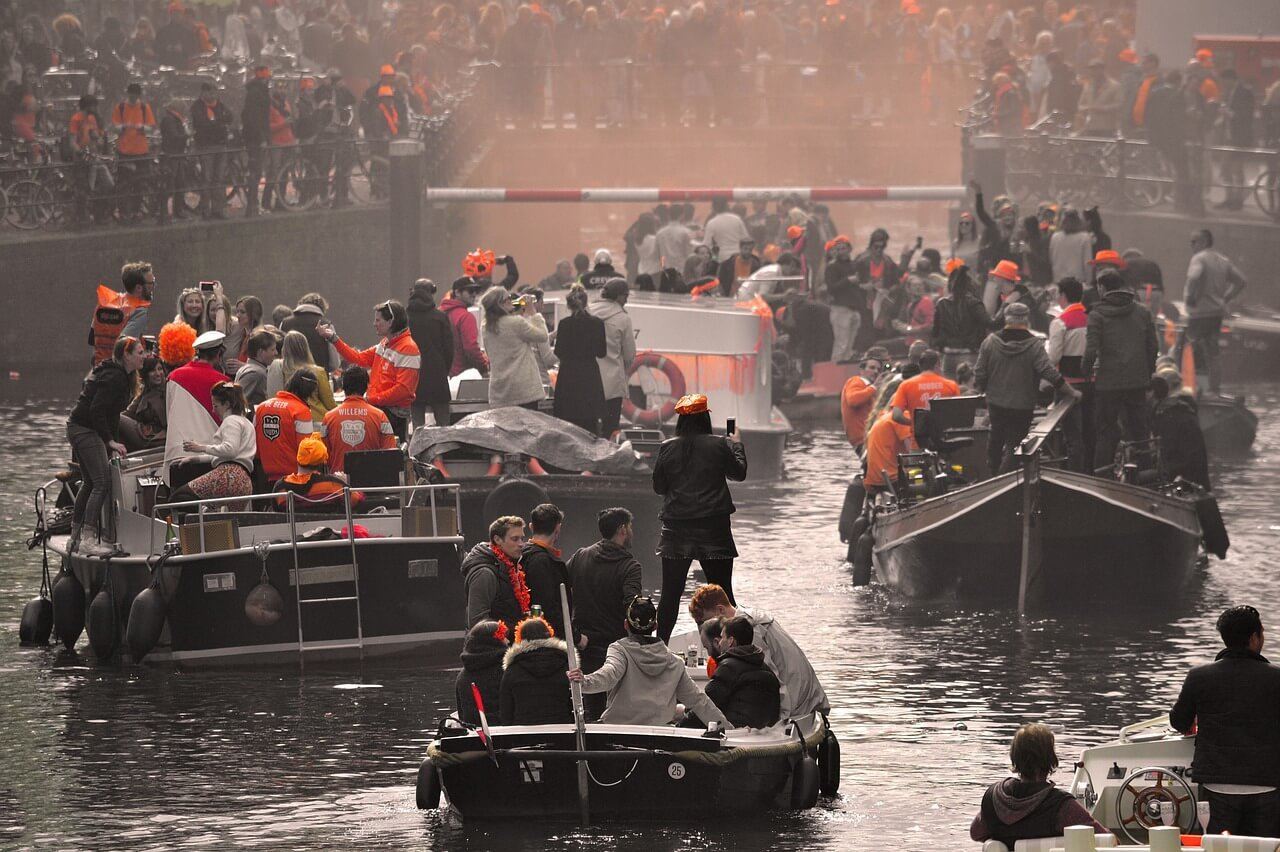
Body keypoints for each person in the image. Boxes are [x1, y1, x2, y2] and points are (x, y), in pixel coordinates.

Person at [1171, 605, 1280, 837]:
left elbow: (1179, 721)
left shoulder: (1200, 676)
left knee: (1219, 847)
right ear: (1253, 638)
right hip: (1267, 785)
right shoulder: (1276, 679)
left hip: (1216, 786)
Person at [652, 394, 747, 644]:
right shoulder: (719, 445)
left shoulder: (667, 447)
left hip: (676, 530)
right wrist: (735, 443)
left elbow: (659, 487)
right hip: (714, 529)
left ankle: (660, 647)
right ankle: (733, 645)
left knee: (670, 595)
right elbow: (738, 473)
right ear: (706, 417)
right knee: (722, 595)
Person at [568, 595, 730, 728]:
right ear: (655, 626)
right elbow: (699, 701)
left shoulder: (619, 650)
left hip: (618, 731)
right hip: (659, 734)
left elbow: (609, 676)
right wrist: (729, 730)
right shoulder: (675, 662)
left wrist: (584, 681)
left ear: (626, 625)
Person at [689, 584, 829, 719]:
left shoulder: (750, 630)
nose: (707, 630)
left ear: (720, 610)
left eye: (708, 622)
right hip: (808, 698)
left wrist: (777, 726)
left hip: (798, 706)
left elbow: (770, 681)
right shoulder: (750, 619)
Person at [975, 302, 1077, 476]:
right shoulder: (1034, 345)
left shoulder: (990, 342)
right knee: (1016, 445)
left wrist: (986, 389)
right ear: (1026, 320)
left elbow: (979, 372)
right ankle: (1004, 481)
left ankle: (993, 476)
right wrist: (1071, 392)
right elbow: (1049, 372)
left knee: (996, 437)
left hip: (996, 402)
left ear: (1006, 318)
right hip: (1022, 404)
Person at [67, 336, 145, 554]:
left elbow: (113, 415)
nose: (144, 356)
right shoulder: (114, 377)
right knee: (101, 482)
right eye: (139, 352)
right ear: (126, 355)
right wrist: (109, 440)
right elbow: (97, 410)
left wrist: (112, 444)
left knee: (90, 482)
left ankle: (74, 538)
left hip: (79, 427)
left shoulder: (123, 376)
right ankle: (88, 540)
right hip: (84, 429)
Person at [970, 723, 1106, 844]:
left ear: (1014, 757)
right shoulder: (1061, 806)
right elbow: (1106, 840)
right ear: (1050, 759)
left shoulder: (994, 798)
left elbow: (976, 834)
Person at [567, 507, 644, 720]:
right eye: (629, 527)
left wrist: (574, 634)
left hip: (584, 646)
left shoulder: (580, 557)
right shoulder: (630, 567)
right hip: (615, 650)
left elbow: (560, 597)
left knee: (589, 707)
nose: (631, 531)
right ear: (622, 529)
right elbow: (633, 609)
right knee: (617, 710)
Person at [1082, 269, 1159, 469]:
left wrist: (1085, 373)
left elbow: (1091, 350)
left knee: (1106, 432)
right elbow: (1153, 347)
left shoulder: (1097, 314)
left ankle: (1102, 477)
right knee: (1139, 431)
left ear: (1101, 288)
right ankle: (1147, 475)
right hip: (1137, 382)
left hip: (1108, 383)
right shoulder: (1143, 312)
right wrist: (1148, 372)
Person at [321, 300, 420, 442]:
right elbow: (358, 358)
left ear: (391, 321)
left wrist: (371, 399)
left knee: (392, 458)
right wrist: (333, 338)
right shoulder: (385, 343)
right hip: (379, 410)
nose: (374, 324)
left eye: (378, 320)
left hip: (394, 416)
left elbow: (403, 390)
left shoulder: (408, 348)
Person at [169, 381, 256, 508]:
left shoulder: (231, 421)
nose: (213, 410)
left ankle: (199, 519)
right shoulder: (247, 423)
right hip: (244, 482)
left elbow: (230, 450)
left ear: (226, 404)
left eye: (216, 406)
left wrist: (201, 448)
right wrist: (195, 458)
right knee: (230, 523)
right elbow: (228, 455)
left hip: (227, 477)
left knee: (180, 498)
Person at [1183, 229, 1247, 396]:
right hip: (1216, 313)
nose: (1191, 245)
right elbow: (1241, 281)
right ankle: (1214, 389)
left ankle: (1194, 387)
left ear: (1204, 242)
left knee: (1192, 347)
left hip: (1199, 313)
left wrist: (1190, 297)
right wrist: (1225, 299)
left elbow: (1194, 278)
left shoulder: (1199, 258)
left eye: (1194, 241)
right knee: (1213, 351)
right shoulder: (1223, 260)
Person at [164, 330, 230, 487]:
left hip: (177, 454)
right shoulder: (222, 382)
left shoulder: (174, 377)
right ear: (219, 354)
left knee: (179, 507)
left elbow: (169, 415)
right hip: (210, 457)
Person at [702, 616, 781, 729]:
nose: (719, 643)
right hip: (762, 734)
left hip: (735, 734)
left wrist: (680, 724)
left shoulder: (728, 667)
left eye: (722, 637)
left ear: (730, 641)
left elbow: (706, 705)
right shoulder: (766, 668)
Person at [1046, 278, 1092, 471]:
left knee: (1072, 436)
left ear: (1063, 295)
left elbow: (1054, 356)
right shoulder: (1092, 317)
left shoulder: (1060, 322)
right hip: (1092, 384)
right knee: (1090, 433)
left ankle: (1074, 476)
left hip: (1068, 386)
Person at [479, 287, 549, 410]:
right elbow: (542, 336)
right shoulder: (516, 323)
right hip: (524, 390)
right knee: (527, 427)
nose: (512, 301)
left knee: (505, 428)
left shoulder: (486, 326)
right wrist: (533, 312)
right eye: (508, 299)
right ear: (500, 304)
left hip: (500, 390)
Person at [552, 284, 607, 434]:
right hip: (590, 375)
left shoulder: (564, 324)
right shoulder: (597, 323)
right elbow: (602, 352)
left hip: (568, 377)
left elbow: (559, 351)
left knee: (567, 423)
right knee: (589, 423)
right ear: (586, 302)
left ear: (569, 305)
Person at [321, 365, 396, 474]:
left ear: (343, 385)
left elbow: (323, 457)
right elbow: (390, 455)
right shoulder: (380, 417)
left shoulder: (328, 418)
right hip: (372, 484)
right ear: (366, 387)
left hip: (339, 486)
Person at [499, 616, 572, 725]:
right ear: (549, 635)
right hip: (561, 730)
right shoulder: (566, 665)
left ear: (520, 638)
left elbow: (506, 709)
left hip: (524, 733)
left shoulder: (512, 670)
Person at [462, 516, 532, 628]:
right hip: (491, 644)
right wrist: (515, 630)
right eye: (515, 539)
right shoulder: (484, 573)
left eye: (521, 539)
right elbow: (477, 622)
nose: (521, 544)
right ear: (498, 539)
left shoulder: (511, 566)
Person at [521, 503, 576, 644]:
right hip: (549, 640)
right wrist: (575, 637)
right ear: (558, 528)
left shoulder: (522, 556)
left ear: (531, 527)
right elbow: (550, 607)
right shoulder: (542, 562)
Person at [254, 369, 319, 484]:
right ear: (309, 392)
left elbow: (255, 445)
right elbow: (306, 450)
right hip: (293, 479)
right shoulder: (301, 411)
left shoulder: (261, 407)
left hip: (263, 476)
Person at [591, 278, 637, 437]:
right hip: (612, 384)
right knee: (610, 429)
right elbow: (630, 354)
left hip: (589, 381)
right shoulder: (623, 318)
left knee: (588, 429)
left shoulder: (588, 311)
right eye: (625, 296)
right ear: (618, 296)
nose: (627, 300)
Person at [406, 279, 454, 428]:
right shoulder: (440, 317)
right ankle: (443, 451)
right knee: (443, 426)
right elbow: (449, 350)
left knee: (417, 426)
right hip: (437, 375)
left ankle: (419, 451)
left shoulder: (405, 318)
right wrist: (443, 370)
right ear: (431, 293)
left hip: (413, 376)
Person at [272, 435, 362, 511]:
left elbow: (275, 514)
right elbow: (357, 502)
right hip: (328, 530)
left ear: (298, 457)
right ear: (322, 463)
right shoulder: (333, 485)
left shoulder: (280, 487)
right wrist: (345, 483)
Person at [1150, 375, 1209, 489]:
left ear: (1151, 393)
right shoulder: (1178, 413)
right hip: (1196, 479)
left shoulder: (1169, 417)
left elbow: (1170, 453)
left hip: (1186, 479)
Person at [90, 262, 155, 366]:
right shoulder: (139, 311)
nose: (153, 287)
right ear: (139, 288)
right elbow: (125, 349)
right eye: (151, 283)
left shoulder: (106, 302)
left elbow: (92, 339)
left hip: (99, 368)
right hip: (119, 371)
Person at [931, 265, 991, 377]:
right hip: (969, 354)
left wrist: (941, 347)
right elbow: (989, 323)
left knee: (951, 392)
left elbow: (935, 332)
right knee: (969, 391)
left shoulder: (941, 304)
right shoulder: (974, 303)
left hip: (948, 356)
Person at [266, 331, 337, 422]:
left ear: (285, 349)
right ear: (306, 348)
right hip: (316, 421)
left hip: (289, 419)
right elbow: (330, 404)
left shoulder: (277, 367)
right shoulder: (318, 371)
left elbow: (272, 397)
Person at [190, 81, 233, 218]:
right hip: (206, 146)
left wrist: (215, 122)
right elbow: (203, 124)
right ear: (203, 93)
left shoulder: (219, 105)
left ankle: (217, 209)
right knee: (207, 178)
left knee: (219, 178)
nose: (214, 94)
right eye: (211, 92)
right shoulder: (197, 107)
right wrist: (219, 122)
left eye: (215, 92)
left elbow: (230, 117)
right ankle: (205, 209)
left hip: (221, 145)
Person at [456, 619, 510, 726]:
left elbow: (462, 714)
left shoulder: (462, 676)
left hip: (474, 734)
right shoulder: (507, 670)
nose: (508, 641)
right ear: (494, 641)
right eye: (503, 637)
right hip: (506, 731)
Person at [1216, 70, 1255, 210]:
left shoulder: (1245, 93)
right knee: (1225, 168)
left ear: (1230, 79)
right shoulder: (1229, 93)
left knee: (1237, 169)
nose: (1222, 84)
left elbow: (1246, 115)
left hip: (1239, 137)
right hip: (1228, 136)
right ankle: (1229, 197)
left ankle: (1237, 200)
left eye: (1224, 81)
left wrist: (1229, 113)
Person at [891, 349, 959, 426]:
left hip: (919, 436)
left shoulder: (906, 385)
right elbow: (958, 413)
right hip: (944, 435)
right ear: (937, 364)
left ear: (920, 365)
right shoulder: (951, 385)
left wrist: (914, 424)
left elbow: (896, 415)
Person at [824, 236, 863, 363]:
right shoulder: (832, 267)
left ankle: (846, 370)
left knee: (850, 345)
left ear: (850, 249)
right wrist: (848, 280)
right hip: (840, 308)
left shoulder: (854, 265)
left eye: (844, 248)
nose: (842, 251)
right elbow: (831, 288)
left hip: (854, 308)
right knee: (841, 343)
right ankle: (835, 369)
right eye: (839, 249)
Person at [840, 348, 888, 450]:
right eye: (872, 368)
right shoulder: (856, 381)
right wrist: (874, 387)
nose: (875, 372)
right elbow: (853, 400)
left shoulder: (870, 389)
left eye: (878, 370)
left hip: (870, 440)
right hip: (862, 442)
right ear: (862, 370)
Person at [862, 407, 916, 499]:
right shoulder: (904, 416)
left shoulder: (883, 418)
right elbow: (912, 452)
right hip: (891, 479)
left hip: (875, 481)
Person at [440, 279, 489, 377]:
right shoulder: (465, 316)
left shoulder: (440, 313)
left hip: (443, 375)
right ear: (457, 292)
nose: (474, 294)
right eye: (470, 291)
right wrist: (484, 367)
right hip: (464, 376)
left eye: (476, 291)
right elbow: (471, 348)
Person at [119, 355, 168, 451]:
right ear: (146, 374)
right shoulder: (144, 391)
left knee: (115, 418)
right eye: (153, 370)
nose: (158, 373)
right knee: (114, 418)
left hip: (157, 436)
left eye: (160, 369)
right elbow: (128, 413)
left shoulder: (168, 389)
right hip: (143, 432)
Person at [281, 296, 337, 374]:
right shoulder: (327, 325)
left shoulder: (284, 323)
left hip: (289, 379)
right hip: (318, 379)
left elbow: (280, 355)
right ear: (322, 308)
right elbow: (334, 363)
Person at [234, 330, 279, 408]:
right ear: (261, 352)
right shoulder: (256, 373)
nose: (276, 353)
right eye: (272, 349)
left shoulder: (247, 369)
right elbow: (237, 402)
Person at [1048, 208, 1092, 284]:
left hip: (1058, 281)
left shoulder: (1055, 237)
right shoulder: (1084, 237)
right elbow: (1087, 263)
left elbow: (1051, 259)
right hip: (1077, 282)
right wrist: (1089, 282)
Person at [703, 198, 752, 263]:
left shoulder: (711, 223)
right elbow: (746, 238)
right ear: (727, 206)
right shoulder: (737, 219)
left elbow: (706, 244)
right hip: (738, 256)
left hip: (722, 258)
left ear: (713, 208)